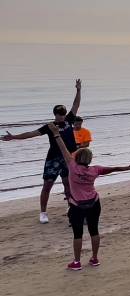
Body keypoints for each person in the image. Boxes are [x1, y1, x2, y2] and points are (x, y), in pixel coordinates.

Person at [46, 123, 130, 270]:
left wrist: (56, 133)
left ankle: (76, 262)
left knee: (77, 234)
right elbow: (113, 169)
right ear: (89, 159)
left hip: (77, 205)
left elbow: (63, 149)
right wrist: (128, 168)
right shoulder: (95, 170)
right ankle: (95, 259)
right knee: (94, 230)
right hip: (94, 203)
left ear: (76, 157)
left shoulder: (72, 165)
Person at [2, 79, 82, 224]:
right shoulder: (50, 126)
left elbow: (76, 105)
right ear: (55, 114)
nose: (62, 116)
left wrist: (78, 90)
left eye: (63, 113)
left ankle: (71, 208)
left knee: (68, 184)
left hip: (70, 158)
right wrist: (13, 137)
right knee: (47, 185)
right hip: (53, 159)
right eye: (59, 114)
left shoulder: (69, 120)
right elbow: (31, 133)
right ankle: (43, 212)